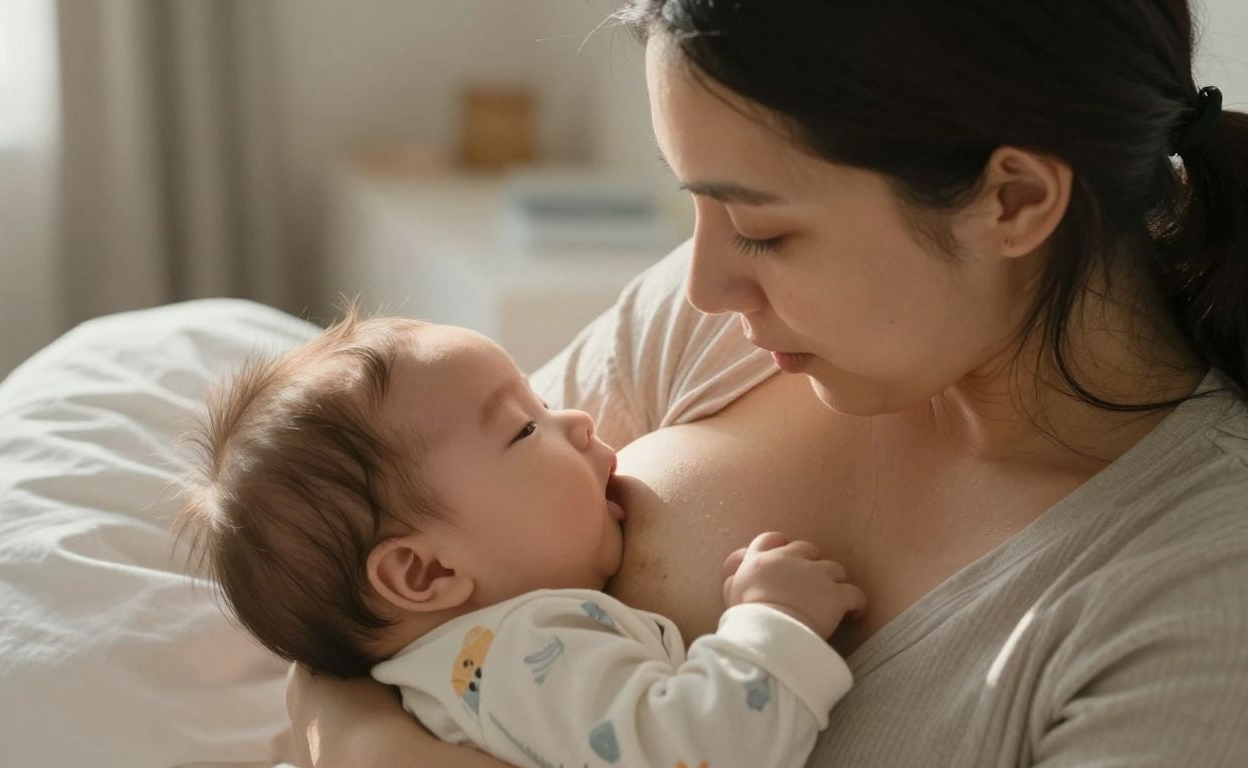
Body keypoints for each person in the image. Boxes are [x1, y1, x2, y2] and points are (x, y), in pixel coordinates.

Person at [287, 1, 1248, 765]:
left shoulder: (1196, 608)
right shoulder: (720, 330)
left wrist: (369, 744)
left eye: (764, 229)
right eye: (695, 202)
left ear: (1015, 199)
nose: (703, 284)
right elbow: (346, 569)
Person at [177, 314, 867, 768]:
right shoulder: (519, 653)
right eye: (525, 428)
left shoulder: (460, 677)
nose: (580, 419)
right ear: (423, 572)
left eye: (540, 401)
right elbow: (692, 752)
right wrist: (773, 622)